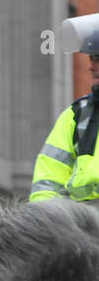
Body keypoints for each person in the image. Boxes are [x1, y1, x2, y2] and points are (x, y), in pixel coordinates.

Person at [31, 13, 99, 202]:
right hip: (82, 223)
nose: (91, 67)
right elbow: (47, 180)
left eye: (98, 59)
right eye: (91, 58)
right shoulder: (77, 115)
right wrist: (44, 223)